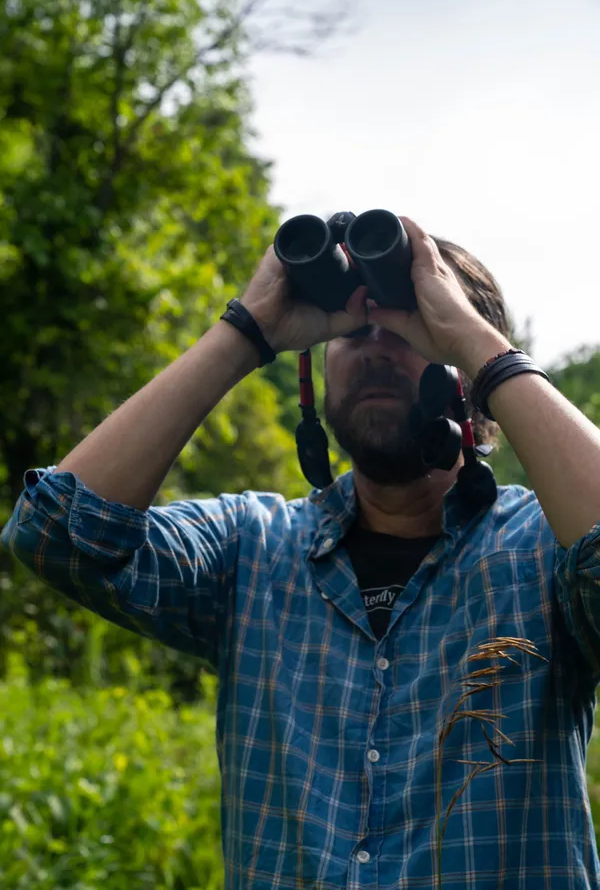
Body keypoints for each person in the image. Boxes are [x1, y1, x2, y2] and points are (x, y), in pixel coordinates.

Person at [2, 215, 600, 889]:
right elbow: (56, 530)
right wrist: (245, 331)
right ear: (313, 377)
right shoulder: (250, 549)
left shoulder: (546, 551)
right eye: (349, 331)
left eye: (404, 322)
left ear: (470, 369)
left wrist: (473, 341)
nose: (374, 347)